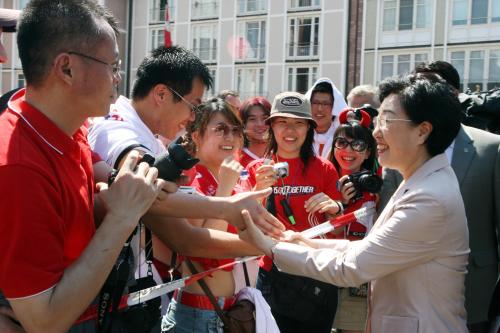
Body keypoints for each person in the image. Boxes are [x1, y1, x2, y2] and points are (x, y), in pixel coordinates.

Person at [239, 74, 470, 333]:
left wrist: (272, 248)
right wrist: (303, 240)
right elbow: (367, 248)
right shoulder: (419, 183)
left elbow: (353, 266)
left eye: (386, 120)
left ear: (422, 131)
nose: (376, 132)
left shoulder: (429, 199)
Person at [0, 1, 170, 332]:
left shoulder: (66, 128)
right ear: (66, 69)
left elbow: (62, 220)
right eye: (114, 65)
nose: (118, 79)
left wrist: (110, 203)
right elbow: (44, 321)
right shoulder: (17, 165)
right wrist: (121, 218)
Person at [88, 46, 282, 288]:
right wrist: (272, 243)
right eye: (193, 106)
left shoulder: (145, 132)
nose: (192, 118)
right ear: (161, 94)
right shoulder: (118, 130)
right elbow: (185, 238)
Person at [379, 60, 500, 333]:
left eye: (432, 85)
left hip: (476, 293)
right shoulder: (397, 151)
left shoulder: (491, 148)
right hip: (411, 293)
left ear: (454, 94)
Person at [246, 91, 342, 333]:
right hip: (273, 271)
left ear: (309, 128)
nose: (290, 131)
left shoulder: (326, 169)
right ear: (271, 127)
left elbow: (339, 226)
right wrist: (258, 190)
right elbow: (243, 222)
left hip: (317, 272)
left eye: (299, 123)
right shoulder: (257, 169)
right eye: (282, 123)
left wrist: (333, 209)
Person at [162, 98, 257, 332]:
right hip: (198, 313)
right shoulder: (189, 180)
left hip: (231, 309)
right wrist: (225, 190)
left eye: (235, 130)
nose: (230, 138)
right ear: (196, 136)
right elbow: (202, 249)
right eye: (220, 130)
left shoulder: (233, 179)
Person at [328, 109, 379, 333]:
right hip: (322, 272)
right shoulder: (321, 179)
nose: (348, 150)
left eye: (357, 145)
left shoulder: (378, 186)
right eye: (341, 142)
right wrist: (339, 204)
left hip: (358, 277)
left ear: (368, 152)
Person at [305, 77, 348, 159]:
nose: (320, 109)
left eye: (325, 104)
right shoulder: (301, 135)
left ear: (335, 107)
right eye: (315, 103)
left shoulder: (344, 136)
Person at [237, 96, 271, 167]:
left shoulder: (282, 154)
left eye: (265, 118)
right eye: (252, 119)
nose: (260, 124)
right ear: (243, 124)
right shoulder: (235, 159)